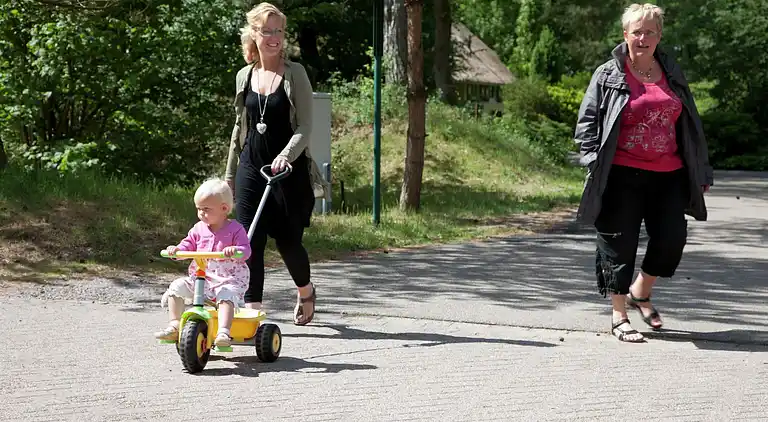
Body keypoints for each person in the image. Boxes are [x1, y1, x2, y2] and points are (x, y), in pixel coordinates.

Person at [573, 3, 713, 343]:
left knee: (671, 240)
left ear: (659, 36)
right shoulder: (608, 74)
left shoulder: (672, 72)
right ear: (625, 35)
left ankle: (641, 291)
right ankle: (619, 315)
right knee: (618, 243)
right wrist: (593, 160)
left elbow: (691, 124)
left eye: (650, 32)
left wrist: (700, 169)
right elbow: (587, 121)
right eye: (637, 31)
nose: (643, 38)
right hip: (620, 173)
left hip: (669, 174)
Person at [225, 2, 325, 326]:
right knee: (249, 239)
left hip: (288, 171)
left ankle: (306, 290)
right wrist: (229, 175)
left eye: (279, 31)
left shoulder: (296, 74)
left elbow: (306, 126)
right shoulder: (244, 76)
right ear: (253, 34)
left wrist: (286, 154)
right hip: (251, 166)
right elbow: (239, 127)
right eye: (267, 31)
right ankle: (252, 311)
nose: (274, 37)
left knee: (287, 241)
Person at [154, 178, 252, 348]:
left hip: (228, 279)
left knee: (226, 294)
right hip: (201, 279)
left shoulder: (235, 229)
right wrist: (176, 250)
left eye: (206, 209)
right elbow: (187, 245)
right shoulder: (198, 228)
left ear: (224, 209)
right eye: (199, 209)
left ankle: (223, 332)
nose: (201, 213)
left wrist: (235, 250)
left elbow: (246, 251)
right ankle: (175, 324)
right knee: (177, 286)